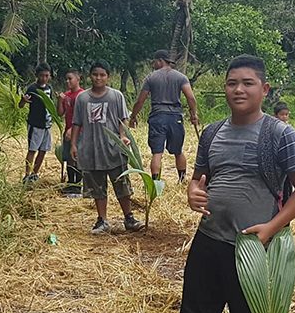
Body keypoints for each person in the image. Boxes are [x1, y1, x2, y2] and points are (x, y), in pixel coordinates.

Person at [180, 55, 295, 313]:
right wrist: (192, 193)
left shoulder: (280, 134)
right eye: (231, 83)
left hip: (255, 249)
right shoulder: (212, 133)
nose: (238, 89)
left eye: (247, 83)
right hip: (210, 239)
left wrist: (271, 228)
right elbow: (199, 180)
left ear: (264, 89)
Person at [71, 60, 145, 235]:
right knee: (97, 187)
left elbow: (122, 120)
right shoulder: (83, 98)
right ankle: (102, 220)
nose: (98, 78)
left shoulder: (116, 96)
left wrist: (123, 136)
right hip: (91, 149)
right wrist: (74, 144)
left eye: (102, 75)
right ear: (90, 76)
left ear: (108, 77)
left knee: (122, 184)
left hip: (113, 149)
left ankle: (129, 217)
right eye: (95, 74)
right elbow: (76, 123)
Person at [129, 50, 198, 183]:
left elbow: (141, 100)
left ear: (160, 60)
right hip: (175, 117)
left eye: (154, 61)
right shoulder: (180, 77)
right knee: (178, 151)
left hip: (157, 117)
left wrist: (134, 116)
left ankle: (155, 183)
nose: (153, 64)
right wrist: (193, 114)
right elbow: (191, 97)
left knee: (157, 152)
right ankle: (182, 179)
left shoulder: (151, 78)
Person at [19, 62, 53, 184]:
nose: (44, 78)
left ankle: (35, 174)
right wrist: (23, 101)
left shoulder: (49, 88)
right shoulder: (32, 89)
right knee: (33, 149)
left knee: (43, 150)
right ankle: (26, 175)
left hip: (46, 124)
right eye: (42, 75)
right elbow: (21, 105)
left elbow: (51, 105)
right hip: (35, 124)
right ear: (37, 75)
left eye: (47, 75)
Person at [57, 69, 84, 194]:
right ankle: (71, 181)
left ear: (77, 80)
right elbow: (60, 113)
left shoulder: (82, 95)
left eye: (70, 79)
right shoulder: (67, 95)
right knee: (68, 156)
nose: (68, 81)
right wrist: (60, 101)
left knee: (76, 156)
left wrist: (72, 129)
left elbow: (83, 116)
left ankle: (78, 183)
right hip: (68, 129)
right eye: (66, 79)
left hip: (78, 131)